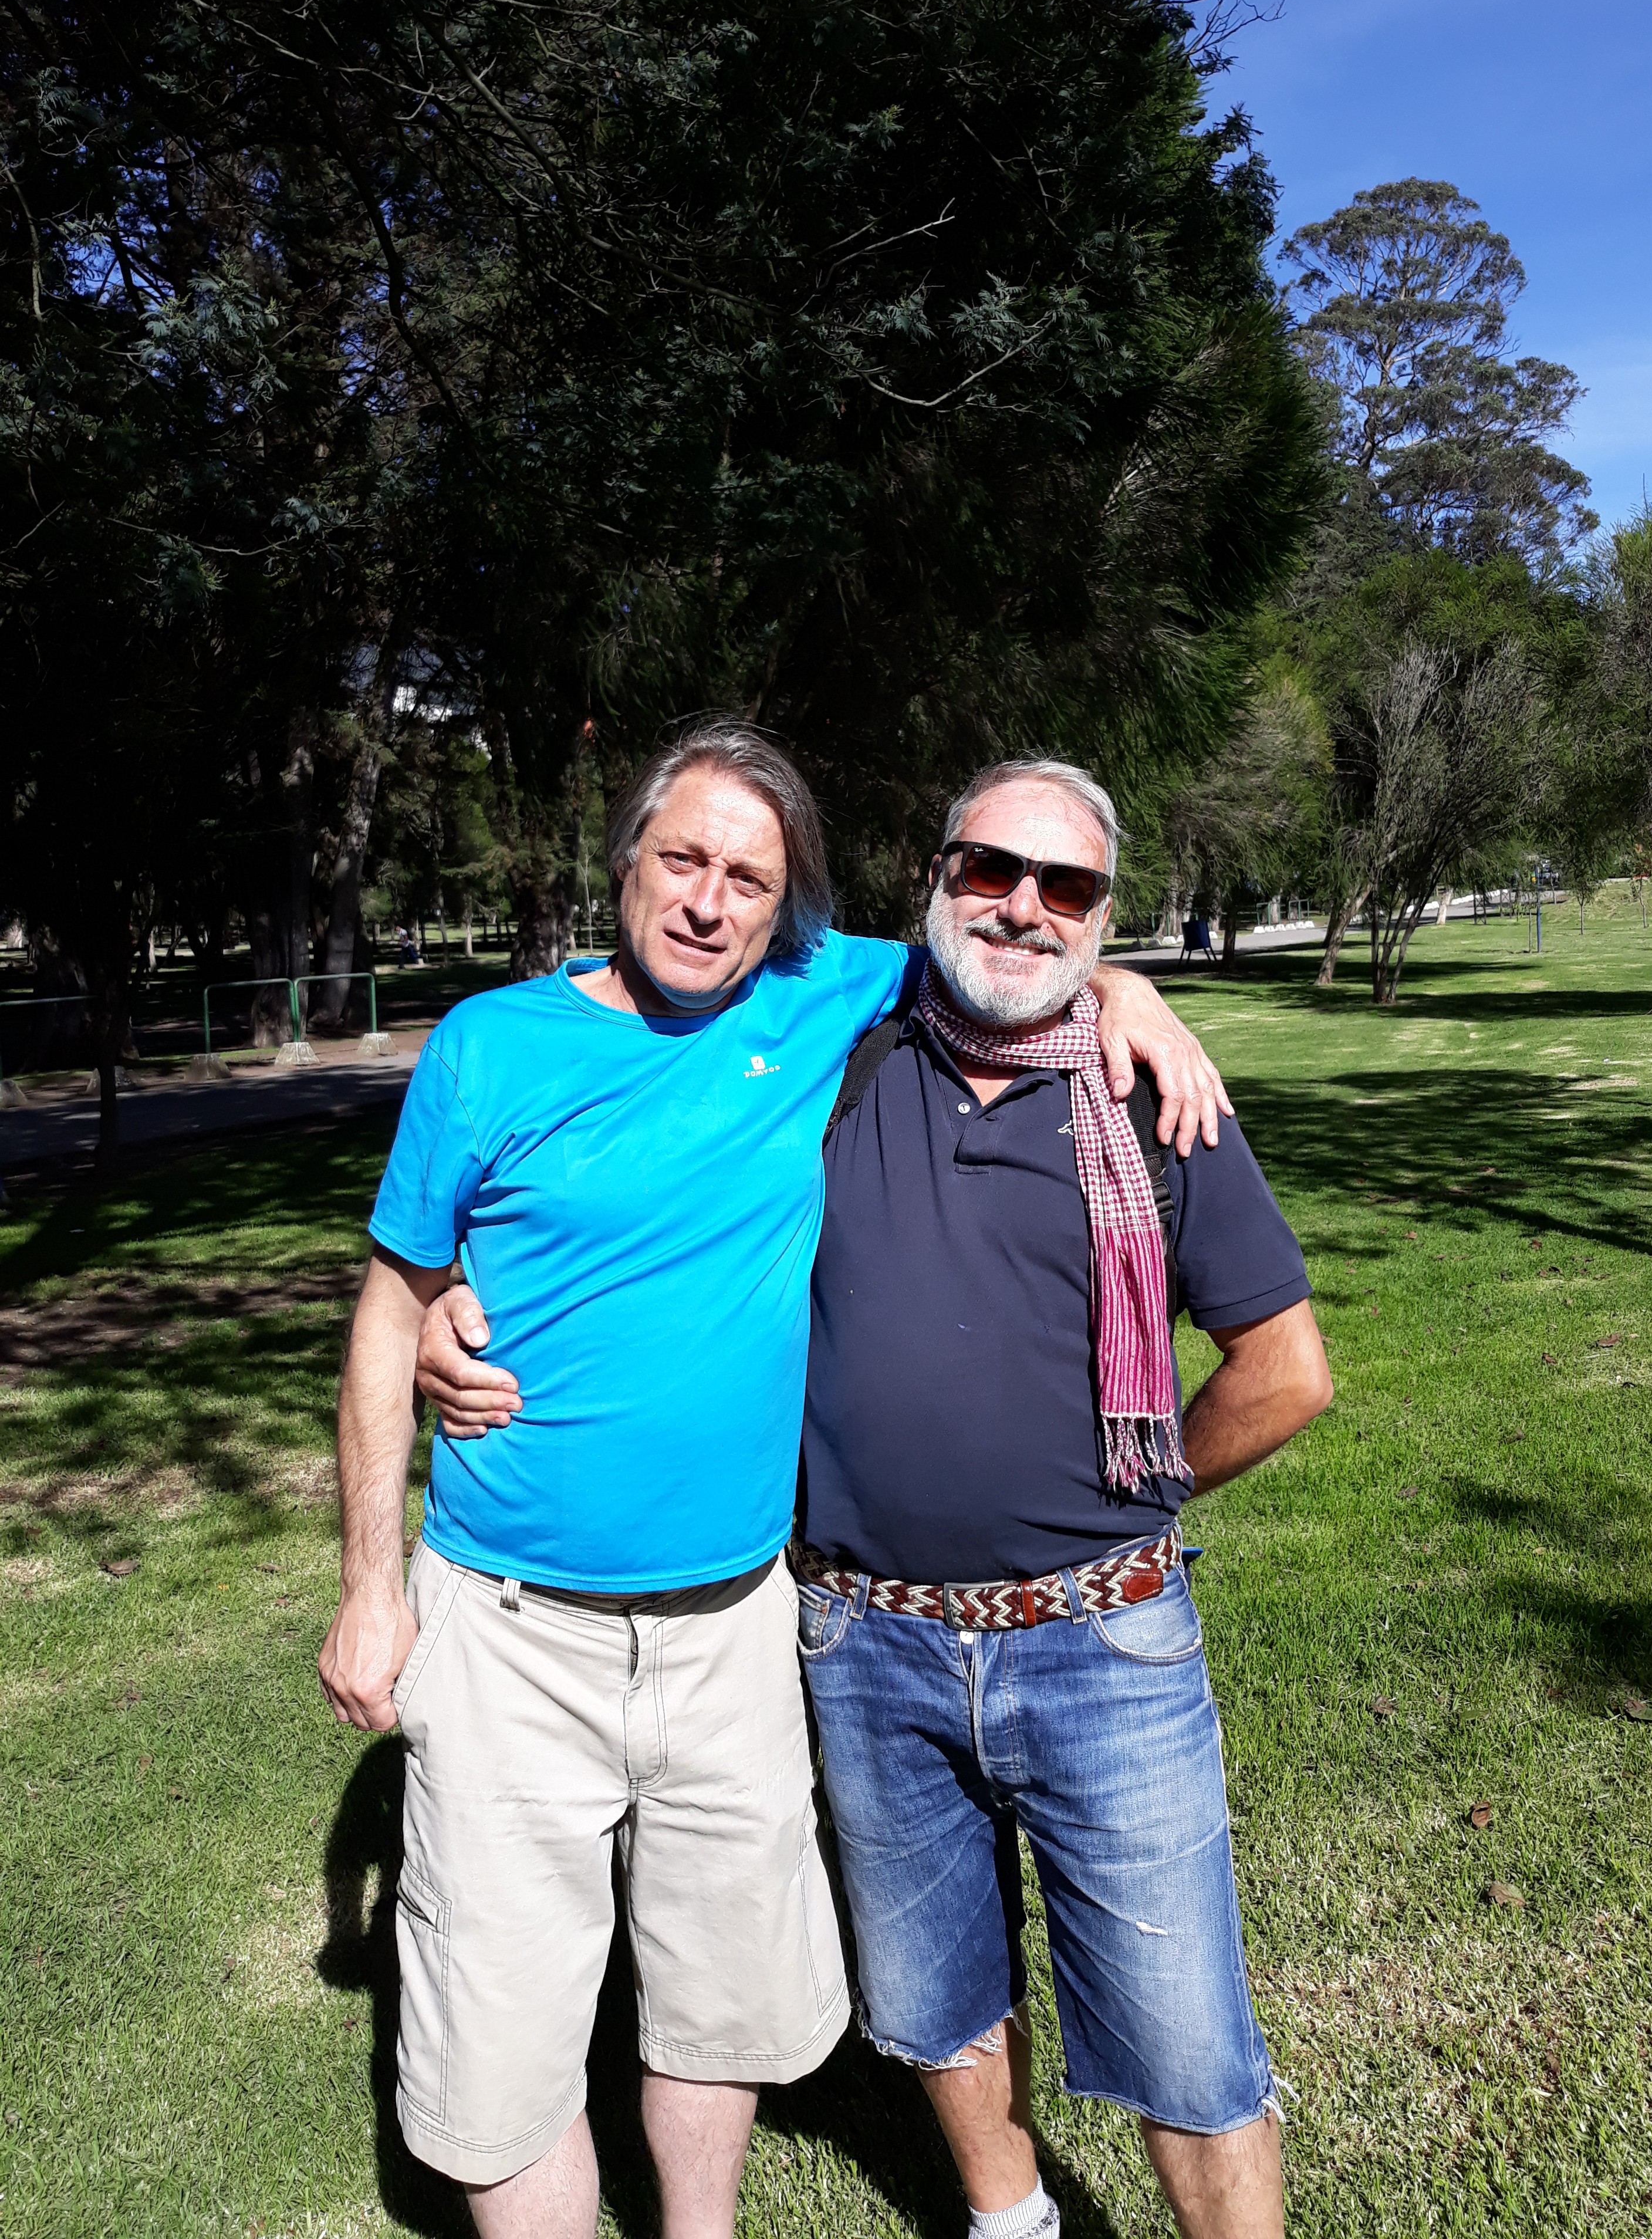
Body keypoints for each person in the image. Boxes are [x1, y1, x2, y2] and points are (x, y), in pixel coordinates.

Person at [321, 719, 1230, 2239]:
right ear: (628, 861)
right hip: (509, 1625)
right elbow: (383, 1307)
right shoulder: (489, 1045)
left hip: (740, 1625)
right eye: (684, 859)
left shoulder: (817, 996)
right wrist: (369, 1586)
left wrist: (1127, 989)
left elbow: (1007, 944)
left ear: (786, 904)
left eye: (749, 878)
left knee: (717, 2003)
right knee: (498, 2043)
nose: (709, 902)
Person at [789, 759, 1331, 2239]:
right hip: (865, 1643)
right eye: (990, 869)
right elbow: (683, 966)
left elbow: (1287, 1372)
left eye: (1067, 886)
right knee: (932, 1992)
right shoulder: (839, 1055)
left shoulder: (1155, 1103)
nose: (1023, 907)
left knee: (1186, 2036)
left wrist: (1130, 1492)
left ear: (1102, 915)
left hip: (1104, 1644)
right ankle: (1011, 2219)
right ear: (935, 876)